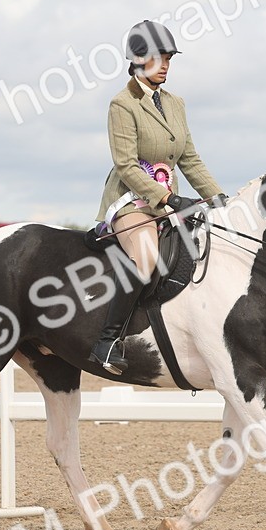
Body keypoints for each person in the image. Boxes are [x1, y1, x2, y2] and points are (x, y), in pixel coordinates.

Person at [90, 20, 226, 373]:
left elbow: (189, 159)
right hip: (131, 202)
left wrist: (219, 198)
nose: (165, 65)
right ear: (138, 60)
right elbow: (126, 165)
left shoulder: (176, 103)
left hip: (168, 204)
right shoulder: (122, 104)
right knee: (147, 257)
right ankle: (107, 341)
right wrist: (166, 199)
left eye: (168, 58)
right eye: (157, 58)